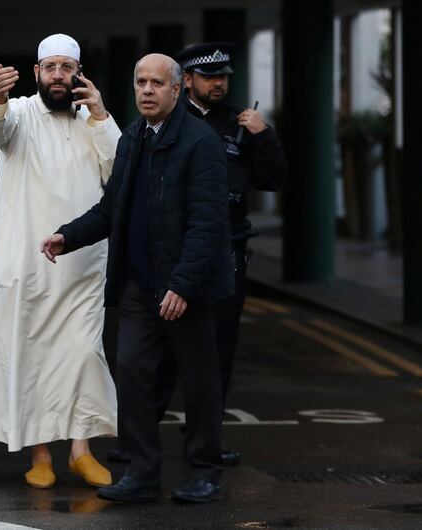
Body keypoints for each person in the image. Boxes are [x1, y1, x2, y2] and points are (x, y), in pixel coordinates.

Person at [41, 53, 233, 503]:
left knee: (200, 382)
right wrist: (67, 236)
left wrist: (183, 285)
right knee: (132, 374)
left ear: (178, 89)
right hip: (139, 286)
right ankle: (143, 473)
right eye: (140, 82)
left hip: (189, 290)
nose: (147, 90)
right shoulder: (132, 138)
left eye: (156, 84)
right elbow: (112, 209)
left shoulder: (200, 143)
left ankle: (204, 472)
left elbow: (208, 225)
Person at [0, 33, 121, 489]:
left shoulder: (93, 119)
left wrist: (101, 115)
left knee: (82, 356)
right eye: (50, 67)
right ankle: (39, 456)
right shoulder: (17, 115)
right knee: (29, 356)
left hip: (83, 266)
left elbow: (119, 172)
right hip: (26, 266)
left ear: (78, 72)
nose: (58, 75)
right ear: (36, 73)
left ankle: (80, 450)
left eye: (66, 67)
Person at [175, 41, 288, 466]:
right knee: (164, 350)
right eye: (209, 77)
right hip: (180, 250)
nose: (219, 84)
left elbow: (274, 179)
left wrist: (264, 135)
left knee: (219, 349)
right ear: (187, 81)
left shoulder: (243, 123)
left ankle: (208, 439)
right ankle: (138, 444)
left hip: (228, 251)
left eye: (223, 77)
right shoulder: (170, 119)